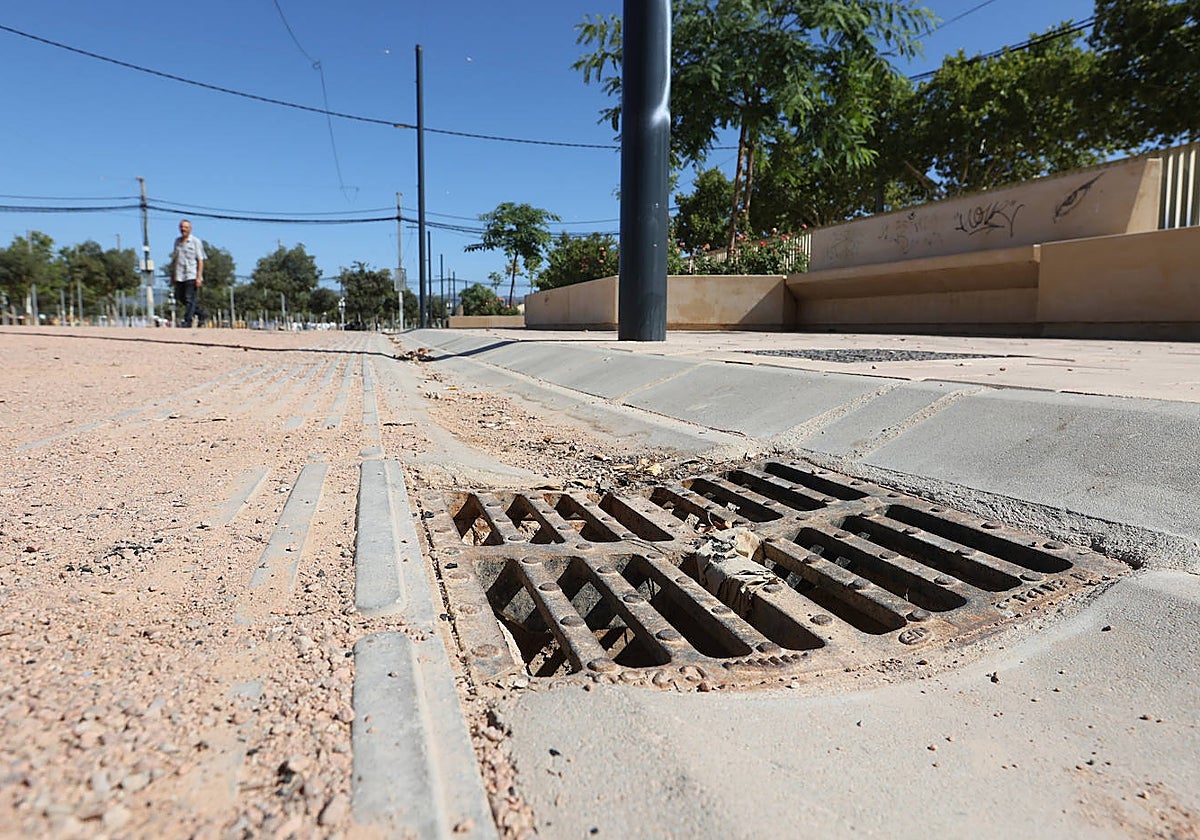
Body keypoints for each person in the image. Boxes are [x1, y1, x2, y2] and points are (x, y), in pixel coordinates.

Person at [172, 219, 207, 327]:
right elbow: (175, 259)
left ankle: (187, 321)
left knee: (189, 299)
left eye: (186, 227)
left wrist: (199, 277)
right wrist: (172, 275)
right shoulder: (177, 242)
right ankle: (201, 314)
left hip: (191, 274)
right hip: (179, 274)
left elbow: (200, 260)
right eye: (182, 227)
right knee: (180, 297)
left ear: (190, 229)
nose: (183, 229)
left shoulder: (195, 242)